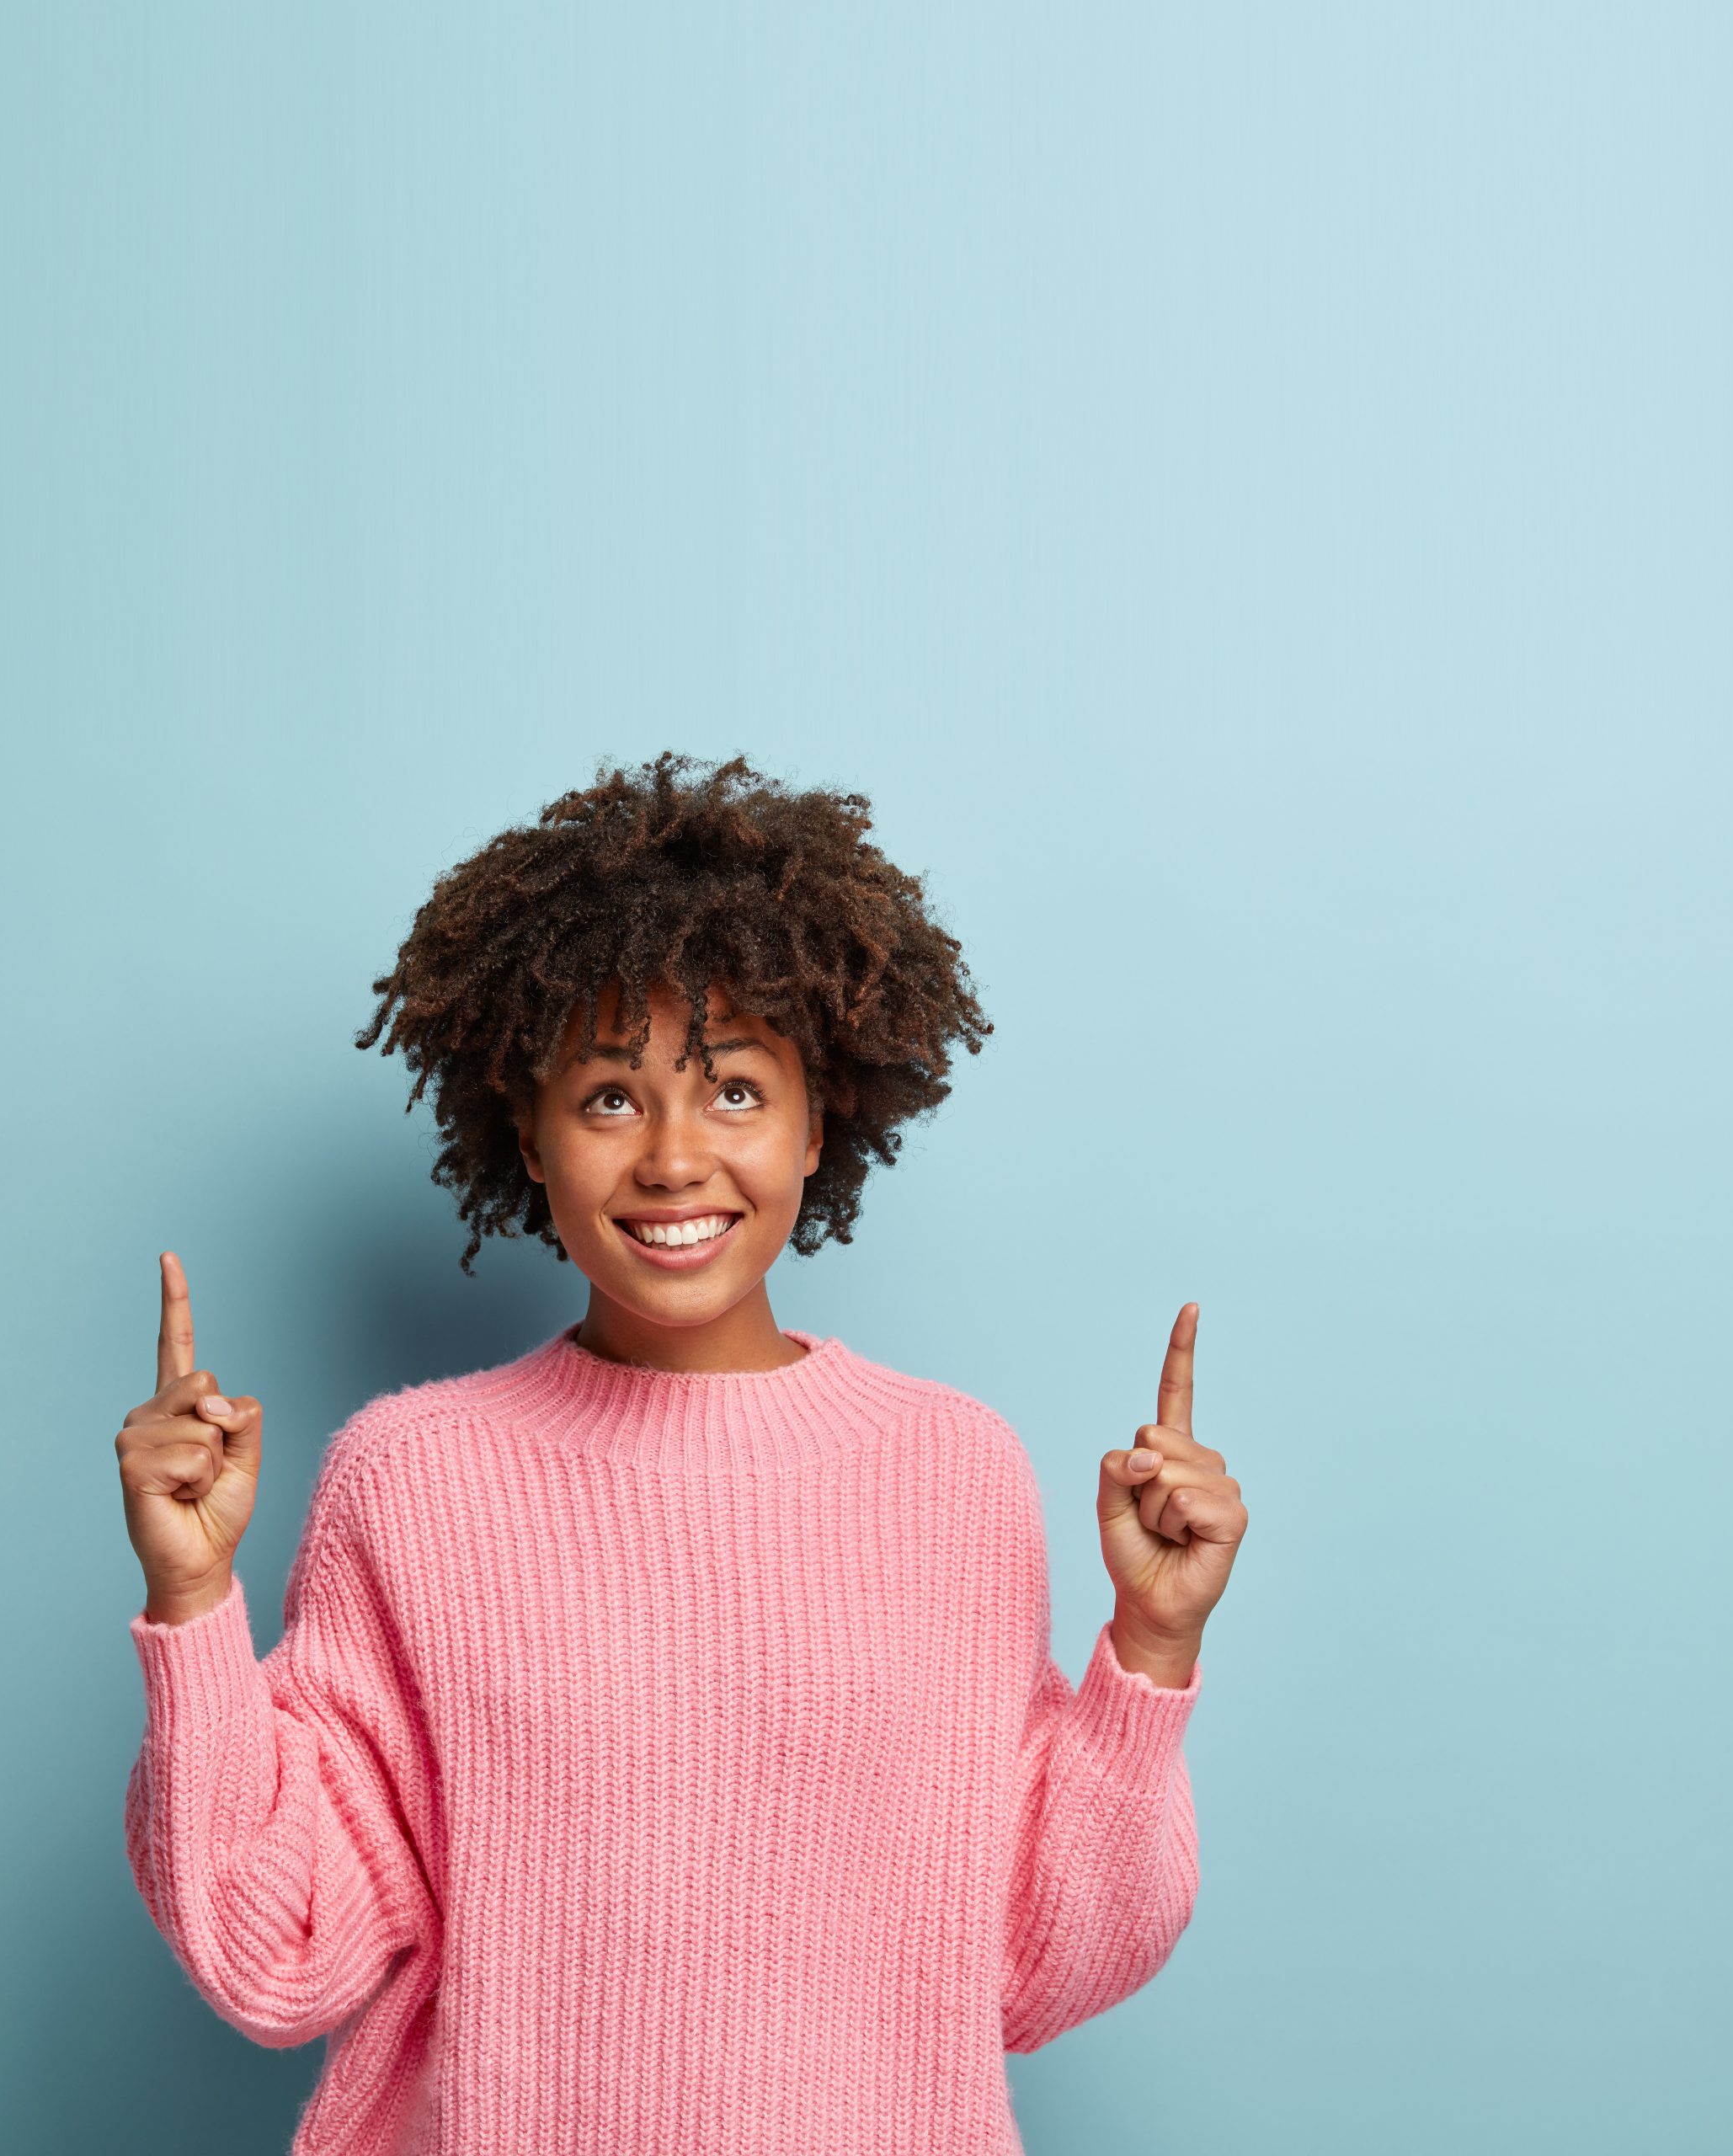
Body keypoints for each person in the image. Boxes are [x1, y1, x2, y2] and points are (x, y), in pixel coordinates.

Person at [115, 752, 1248, 2156]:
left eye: (733, 1093)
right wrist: (192, 1610)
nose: (669, 1159)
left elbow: (1034, 1960)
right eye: (606, 1098)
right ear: (526, 1137)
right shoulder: (409, 1480)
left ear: (819, 1123)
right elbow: (273, 1951)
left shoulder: (954, 1472)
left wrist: (1148, 1650)